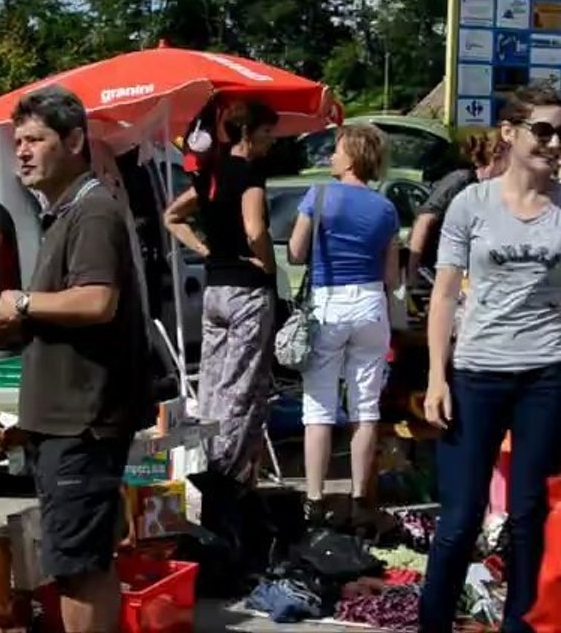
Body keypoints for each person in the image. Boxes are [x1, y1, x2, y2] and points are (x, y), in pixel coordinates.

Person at [0, 87, 150, 633]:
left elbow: (98, 301)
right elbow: (70, 309)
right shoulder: (63, 213)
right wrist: (12, 328)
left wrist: (22, 302)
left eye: (36, 140)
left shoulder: (93, 212)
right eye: (17, 141)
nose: (21, 152)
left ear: (74, 141)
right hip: (65, 420)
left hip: (84, 421)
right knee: (79, 559)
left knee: (78, 567)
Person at [420, 84, 561, 633]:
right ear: (510, 133)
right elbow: (445, 294)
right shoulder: (470, 204)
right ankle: (432, 624)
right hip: (477, 374)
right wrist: (437, 376)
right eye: (543, 130)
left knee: (530, 514)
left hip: (546, 375)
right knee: (458, 520)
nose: (553, 143)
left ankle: (521, 625)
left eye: (560, 133)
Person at [287, 124, 400, 531]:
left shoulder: (317, 196)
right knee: (365, 409)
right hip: (371, 303)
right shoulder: (386, 208)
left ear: (350, 156)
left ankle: (315, 503)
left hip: (328, 303)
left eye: (335, 150)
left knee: (318, 408)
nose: (330, 157)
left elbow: (297, 254)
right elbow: (393, 276)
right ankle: (359, 502)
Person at [163, 100, 278, 488]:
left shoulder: (210, 171)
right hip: (247, 290)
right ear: (247, 133)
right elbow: (254, 229)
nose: (271, 142)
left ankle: (202, 462)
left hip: (215, 289)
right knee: (242, 386)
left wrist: (204, 250)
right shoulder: (249, 174)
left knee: (212, 380)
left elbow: (172, 217)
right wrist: (266, 263)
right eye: (266, 133)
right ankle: (226, 474)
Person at [406, 132, 508, 284]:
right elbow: (424, 220)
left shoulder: (495, 189)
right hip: (435, 267)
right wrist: (411, 272)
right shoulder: (461, 180)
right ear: (496, 157)